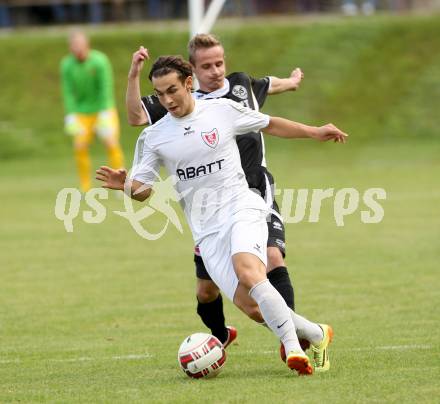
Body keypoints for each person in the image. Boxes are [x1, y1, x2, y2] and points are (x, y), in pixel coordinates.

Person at [97, 55, 347, 374]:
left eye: (172, 89)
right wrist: (125, 185)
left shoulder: (221, 111)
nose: (167, 99)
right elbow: (144, 191)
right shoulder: (154, 137)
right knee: (253, 307)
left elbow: (268, 123)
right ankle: (315, 332)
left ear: (189, 83)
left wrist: (314, 131)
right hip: (207, 231)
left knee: (249, 271)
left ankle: (295, 348)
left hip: (242, 207)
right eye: (160, 94)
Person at [126, 34, 307, 354]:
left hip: (251, 188)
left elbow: (270, 86)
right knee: (206, 290)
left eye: (219, 63)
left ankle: (291, 340)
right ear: (193, 72)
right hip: (206, 208)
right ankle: (221, 334)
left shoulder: (240, 87)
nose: (216, 71)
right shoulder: (175, 100)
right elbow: (136, 117)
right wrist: (133, 75)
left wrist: (291, 82)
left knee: (271, 258)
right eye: (207, 65)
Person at [61, 30, 124, 192]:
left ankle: (120, 181)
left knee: (111, 142)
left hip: (103, 109)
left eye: (80, 45)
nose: (77, 49)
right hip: (82, 112)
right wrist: (71, 114)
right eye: (74, 46)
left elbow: (106, 86)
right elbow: (68, 91)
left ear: (86, 44)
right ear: (70, 48)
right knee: (80, 145)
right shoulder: (66, 65)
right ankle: (85, 186)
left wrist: (104, 111)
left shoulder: (100, 61)